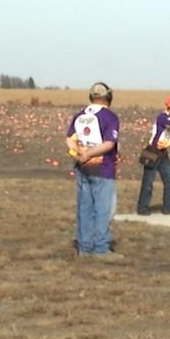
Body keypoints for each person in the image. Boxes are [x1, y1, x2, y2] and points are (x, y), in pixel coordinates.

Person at [66, 82, 121, 258]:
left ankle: (84, 247)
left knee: (85, 208)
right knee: (103, 209)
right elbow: (108, 143)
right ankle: (101, 248)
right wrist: (90, 153)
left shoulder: (79, 115)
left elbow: (69, 139)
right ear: (108, 97)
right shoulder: (109, 117)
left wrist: (79, 154)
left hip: (82, 168)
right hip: (102, 168)